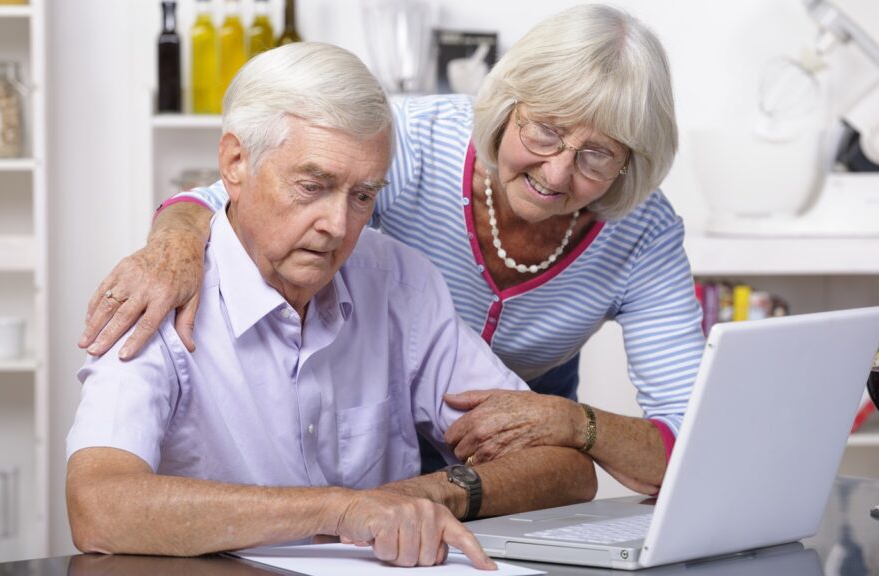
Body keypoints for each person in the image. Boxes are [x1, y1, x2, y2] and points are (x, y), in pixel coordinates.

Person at [78, 4, 703, 495]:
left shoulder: (641, 234)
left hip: (519, 414)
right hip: (394, 394)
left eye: (598, 156)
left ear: (630, 165)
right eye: (544, 130)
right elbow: (251, 190)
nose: (559, 173)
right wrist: (176, 238)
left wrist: (573, 424)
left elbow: (685, 439)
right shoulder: (412, 144)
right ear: (508, 106)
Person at [66, 42, 596, 569]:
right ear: (235, 162)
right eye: (312, 187)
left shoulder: (398, 281)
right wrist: (342, 510)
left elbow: (566, 468)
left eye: (363, 196)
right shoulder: (160, 292)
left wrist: (429, 495)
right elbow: (99, 506)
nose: (338, 228)